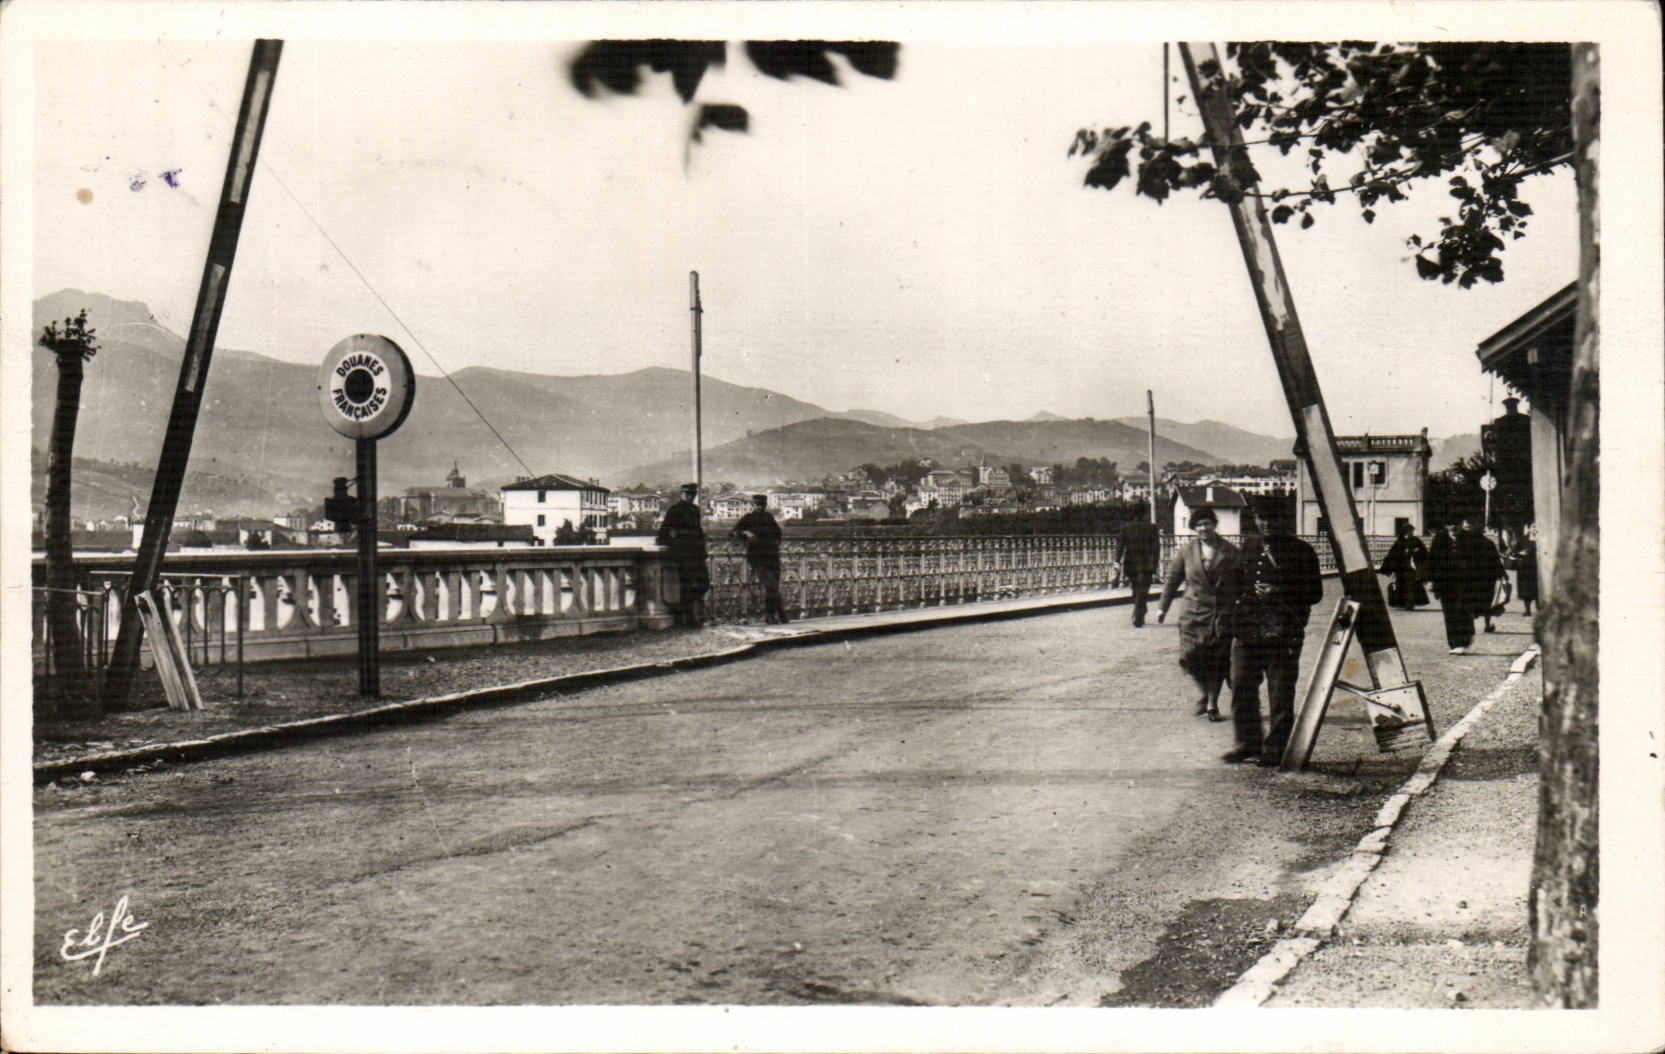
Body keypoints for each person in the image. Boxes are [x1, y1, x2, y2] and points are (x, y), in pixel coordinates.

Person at [1221, 505, 1324, 765]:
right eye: (1261, 517)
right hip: (1248, 628)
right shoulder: (1248, 547)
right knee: (1242, 684)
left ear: (1283, 520)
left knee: (1280, 690)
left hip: (1283, 630)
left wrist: (1279, 591)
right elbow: (1233, 585)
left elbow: (1315, 593)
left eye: (1272, 518)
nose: (1266, 523)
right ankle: (1247, 743)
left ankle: (1277, 749)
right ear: (1255, 519)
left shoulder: (1302, 551)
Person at [1157, 507, 1241, 721]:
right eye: (1199, 525)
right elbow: (1172, 578)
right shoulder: (1187, 551)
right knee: (1189, 658)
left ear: (1214, 525)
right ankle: (1204, 693)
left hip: (1220, 614)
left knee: (1216, 659)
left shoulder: (1230, 551)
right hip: (1193, 614)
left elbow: (1242, 581)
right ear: (1194, 528)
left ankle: (1212, 704)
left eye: (1207, 524)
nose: (1203, 528)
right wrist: (1162, 607)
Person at [1430, 517, 1505, 653]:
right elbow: (1432, 562)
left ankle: (1464, 642)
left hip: (1466, 583)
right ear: (1446, 526)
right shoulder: (1439, 540)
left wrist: (1498, 572)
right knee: (1450, 613)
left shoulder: (1470, 540)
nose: (1454, 527)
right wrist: (1431, 580)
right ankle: (1453, 644)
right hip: (1446, 584)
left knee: (1463, 611)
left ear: (1460, 525)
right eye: (1450, 524)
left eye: (1456, 524)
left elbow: (1484, 555)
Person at [655, 483, 710, 627]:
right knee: (686, 586)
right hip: (683, 554)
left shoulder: (695, 510)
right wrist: (674, 538)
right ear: (682, 494)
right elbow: (663, 533)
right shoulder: (674, 510)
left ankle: (692, 615)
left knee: (703, 583)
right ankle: (687, 618)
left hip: (696, 554)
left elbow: (698, 532)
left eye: (693, 495)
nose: (690, 497)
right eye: (687, 494)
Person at [730, 493, 789, 624]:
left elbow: (778, 533)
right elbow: (733, 532)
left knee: (774, 585)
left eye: (762, 505)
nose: (760, 507)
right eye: (757, 504)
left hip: (772, 556)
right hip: (758, 557)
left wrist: (777, 543)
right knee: (770, 585)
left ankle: (778, 613)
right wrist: (745, 533)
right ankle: (771, 614)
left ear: (765, 505)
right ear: (753, 505)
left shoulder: (769, 517)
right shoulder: (748, 518)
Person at [1116, 507, 1162, 628]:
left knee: (1136, 589)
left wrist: (1117, 561)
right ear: (1145, 514)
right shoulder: (1152, 528)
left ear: (1133, 515)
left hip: (1131, 563)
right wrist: (1156, 564)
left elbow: (1120, 546)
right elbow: (1156, 548)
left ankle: (1138, 613)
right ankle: (1139, 613)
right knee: (1144, 590)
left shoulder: (1126, 528)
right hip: (1147, 563)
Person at [1377, 521, 1430, 609]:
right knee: (1401, 585)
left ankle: (1410, 603)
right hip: (1401, 568)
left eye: (1412, 531)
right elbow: (1393, 555)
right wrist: (1391, 567)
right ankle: (1402, 603)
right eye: (1410, 531)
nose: (1412, 533)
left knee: (1411, 585)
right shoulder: (1399, 542)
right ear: (1406, 531)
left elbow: (1423, 551)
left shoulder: (1416, 540)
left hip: (1412, 567)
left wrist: (1417, 553)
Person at [1514, 527, 1540, 617]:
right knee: (1525, 590)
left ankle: (1540, 611)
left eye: (1535, 527)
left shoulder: (1542, 538)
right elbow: (1515, 550)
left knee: (1537, 590)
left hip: (1536, 568)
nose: (1534, 529)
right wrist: (1519, 553)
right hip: (1524, 568)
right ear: (1529, 529)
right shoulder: (1523, 539)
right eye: (1532, 527)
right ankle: (1527, 610)